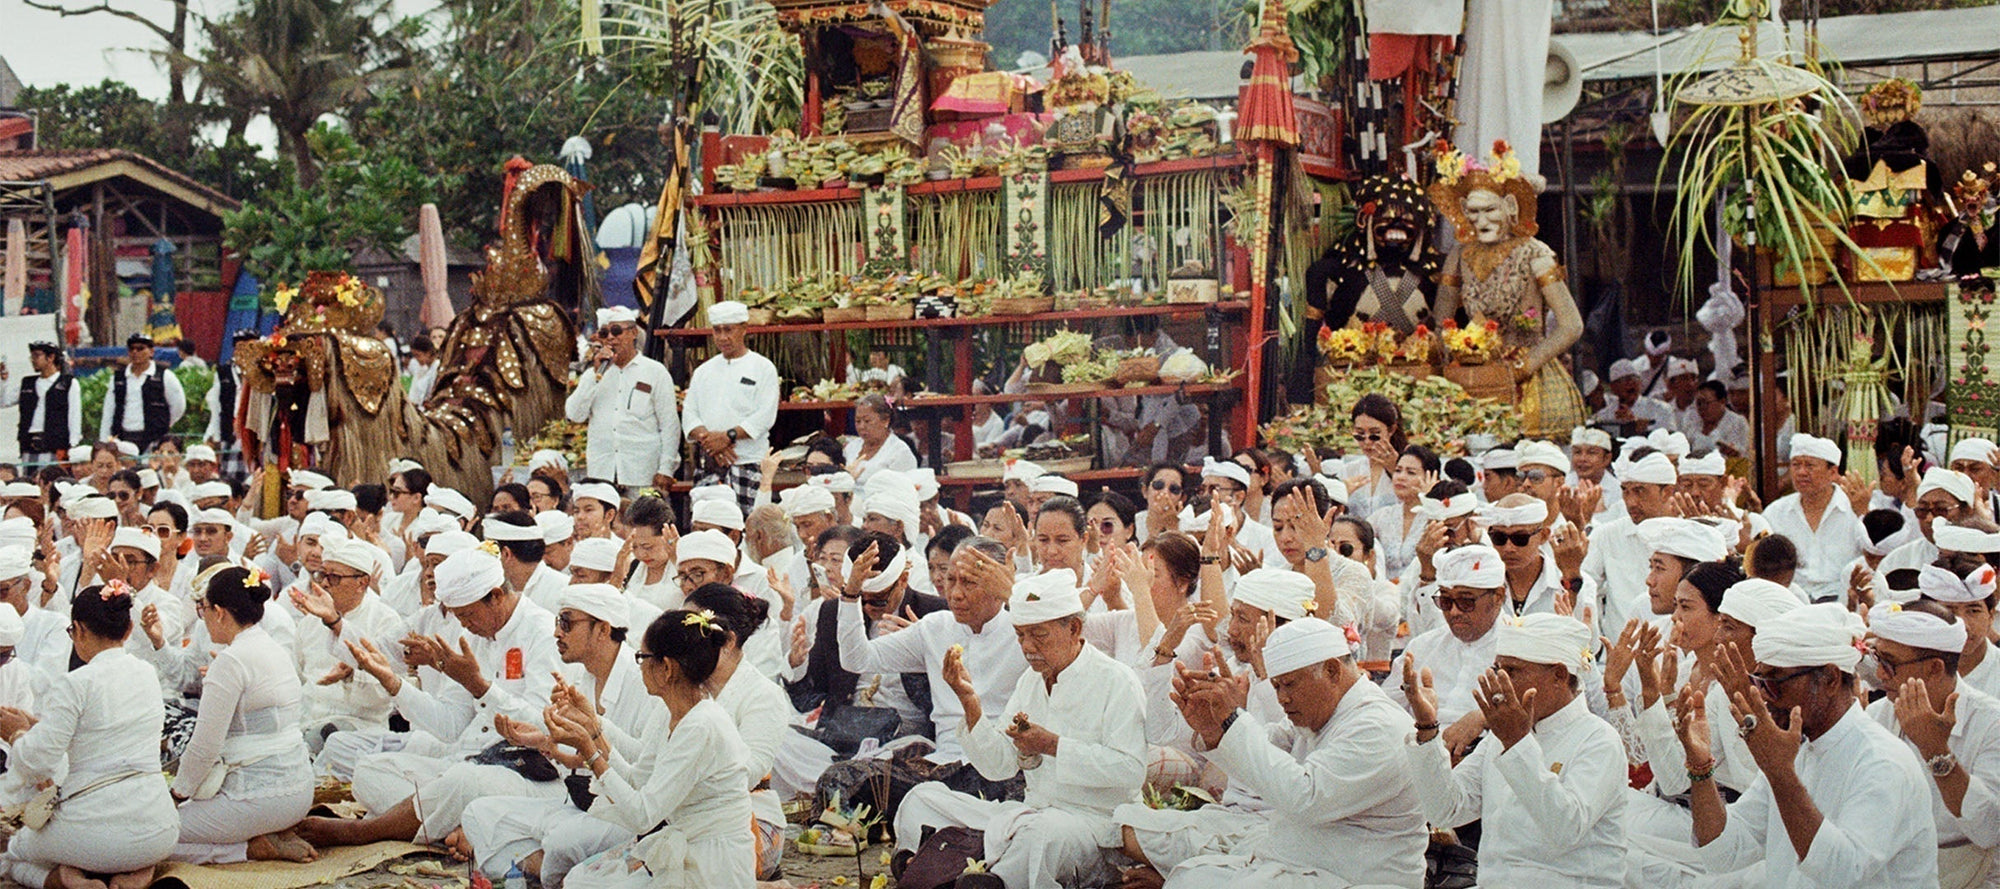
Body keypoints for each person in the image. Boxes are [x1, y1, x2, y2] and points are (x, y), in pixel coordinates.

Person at [1129, 617, 1426, 888]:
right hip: (1302, 860)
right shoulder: (1319, 714)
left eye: (1288, 685)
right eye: (1276, 686)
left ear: (1333, 671)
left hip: (1357, 876)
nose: (1282, 698)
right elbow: (1264, 750)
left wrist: (1232, 721)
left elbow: (1305, 797)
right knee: (1187, 873)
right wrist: (1214, 729)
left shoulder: (1377, 725)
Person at [894, 571, 1147, 889]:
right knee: (923, 798)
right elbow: (998, 766)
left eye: (1038, 635)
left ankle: (977, 877)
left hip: (1093, 827)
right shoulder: (1030, 681)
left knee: (1039, 834)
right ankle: (935, 866)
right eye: (1020, 635)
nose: (1027, 647)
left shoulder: (1117, 680)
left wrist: (1052, 745)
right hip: (1029, 814)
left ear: (1074, 628)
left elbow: (1131, 772)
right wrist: (970, 702)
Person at [298, 547, 564, 848]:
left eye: (467, 615)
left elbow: (543, 727)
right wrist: (393, 682)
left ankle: (367, 831)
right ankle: (460, 827)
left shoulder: (541, 631)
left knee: (462, 781)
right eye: (457, 616)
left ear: (496, 596)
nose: (463, 624)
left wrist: (481, 688)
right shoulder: (475, 636)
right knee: (370, 771)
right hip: (469, 760)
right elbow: (451, 726)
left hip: (527, 774)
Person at [1683, 603, 1939, 886]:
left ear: (1829, 679)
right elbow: (1723, 853)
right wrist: (1701, 768)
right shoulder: (1797, 747)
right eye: (1759, 681)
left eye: (1775, 683)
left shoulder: (1882, 762)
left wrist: (1781, 774)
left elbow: (1841, 873)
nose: (1764, 698)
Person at [454, 584, 662, 888]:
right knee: (478, 814)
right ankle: (554, 870)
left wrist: (588, 730)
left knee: (561, 841)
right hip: (577, 802)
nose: (556, 633)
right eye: (556, 623)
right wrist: (541, 741)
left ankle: (557, 869)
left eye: (566, 623)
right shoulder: (579, 677)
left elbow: (642, 772)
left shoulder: (644, 683)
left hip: (623, 816)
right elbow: (573, 761)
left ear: (602, 629)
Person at [1407, 611, 1628, 887]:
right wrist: (1427, 729)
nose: (1501, 683)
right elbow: (1447, 809)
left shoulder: (1598, 739)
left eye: (1512, 671)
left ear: (1559, 675)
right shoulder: (1502, 737)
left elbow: (1565, 828)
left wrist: (1516, 744)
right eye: (1499, 670)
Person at [546, 609, 756, 889]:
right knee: (580, 880)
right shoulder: (671, 713)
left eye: (642, 658)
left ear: (666, 668)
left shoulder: (701, 724)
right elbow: (638, 779)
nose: (640, 667)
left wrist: (589, 749)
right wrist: (592, 728)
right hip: (695, 850)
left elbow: (643, 816)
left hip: (713, 863)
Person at [0, 582, 179, 889]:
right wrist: (35, 726)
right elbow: (95, 730)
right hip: (159, 832)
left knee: (10, 854)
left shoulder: (76, 683)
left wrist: (16, 733)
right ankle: (135, 874)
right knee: (129, 849)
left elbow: (37, 762)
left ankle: (68, 881)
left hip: (92, 834)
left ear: (79, 630)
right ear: (129, 629)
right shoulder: (146, 674)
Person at [170, 566, 317, 864]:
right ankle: (268, 835)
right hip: (299, 793)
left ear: (220, 612)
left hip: (259, 799)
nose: (205, 618)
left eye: (204, 609)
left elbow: (204, 748)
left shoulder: (231, 661)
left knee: (149, 836)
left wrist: (175, 797)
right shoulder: (272, 648)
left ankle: (243, 850)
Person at [1864, 599, 2000, 889]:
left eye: (1889, 664)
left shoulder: (1992, 724)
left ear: (1935, 668)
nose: (1879, 675)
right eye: (1878, 661)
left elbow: (1989, 830)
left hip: (1971, 874)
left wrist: (1936, 751)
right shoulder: (1876, 717)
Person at [564, 306, 681, 492]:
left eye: (616, 331)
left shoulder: (655, 371)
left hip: (642, 473)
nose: (610, 338)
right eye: (604, 333)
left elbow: (669, 425)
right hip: (602, 474)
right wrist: (595, 375)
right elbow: (574, 415)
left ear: (633, 333)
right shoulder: (592, 374)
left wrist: (666, 468)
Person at [681, 301, 781, 514]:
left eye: (729, 330)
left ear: (744, 329)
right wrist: (710, 442)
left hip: (749, 461)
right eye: (717, 330)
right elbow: (689, 414)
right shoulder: (703, 371)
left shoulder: (763, 368)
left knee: (751, 527)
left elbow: (764, 416)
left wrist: (728, 436)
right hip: (710, 462)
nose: (723, 337)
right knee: (707, 527)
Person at [1762, 435, 1867, 604]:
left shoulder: (1854, 508)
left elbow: (1875, 555)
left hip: (1842, 599)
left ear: (1832, 472)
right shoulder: (1776, 512)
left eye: (1810, 465)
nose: (1801, 472)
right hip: (1790, 600)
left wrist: (1864, 513)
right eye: (1796, 465)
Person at [101, 333, 188, 453]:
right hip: (123, 438)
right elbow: (108, 410)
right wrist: (105, 440)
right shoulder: (118, 378)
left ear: (151, 352)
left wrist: (164, 424)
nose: (135, 352)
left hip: (153, 438)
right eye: (132, 349)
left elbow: (179, 406)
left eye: (141, 348)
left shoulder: (164, 376)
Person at [2, 341, 82, 466]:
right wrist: (3, 382)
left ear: (50, 358)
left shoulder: (68, 384)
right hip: (29, 444)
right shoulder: (27, 383)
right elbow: (4, 401)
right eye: (32, 356)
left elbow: (74, 415)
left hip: (56, 444)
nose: (33, 360)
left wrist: (73, 444)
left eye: (37, 356)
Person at [843, 394, 919, 490]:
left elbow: (906, 490)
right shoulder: (851, 447)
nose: (861, 427)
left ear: (885, 421)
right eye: (858, 421)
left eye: (867, 421)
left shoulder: (899, 452)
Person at [404, 335, 439, 406]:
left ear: (428, 353)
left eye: (418, 355)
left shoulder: (437, 368)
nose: (416, 359)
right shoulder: (419, 367)